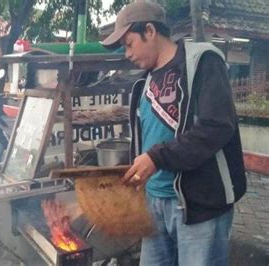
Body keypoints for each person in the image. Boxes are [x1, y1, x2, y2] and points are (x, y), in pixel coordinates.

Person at [101, 1, 246, 265]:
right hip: (154, 203)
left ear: (150, 31)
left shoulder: (202, 62)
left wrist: (156, 158)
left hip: (198, 206)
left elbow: (216, 126)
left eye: (129, 43)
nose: (127, 53)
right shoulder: (143, 82)